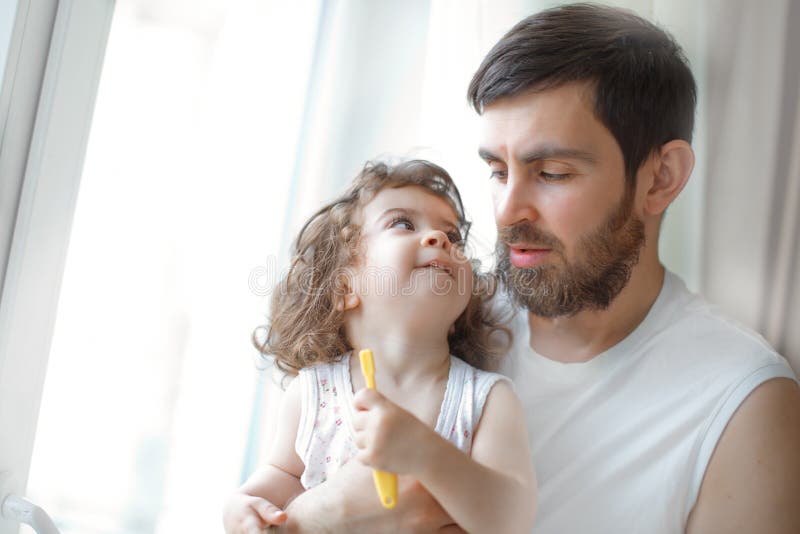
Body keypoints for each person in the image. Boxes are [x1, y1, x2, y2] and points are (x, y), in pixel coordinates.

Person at [274, 4, 800, 533]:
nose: (505, 212)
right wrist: (317, 515)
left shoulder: (743, 404)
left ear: (661, 177)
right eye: (498, 171)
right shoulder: (439, 315)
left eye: (551, 173)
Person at [222, 160, 537, 534]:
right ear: (343, 288)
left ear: (462, 306)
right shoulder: (312, 395)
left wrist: (426, 453)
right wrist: (243, 507)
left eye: (452, 236)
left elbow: (513, 518)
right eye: (403, 223)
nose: (438, 238)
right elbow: (279, 484)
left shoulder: (486, 400)